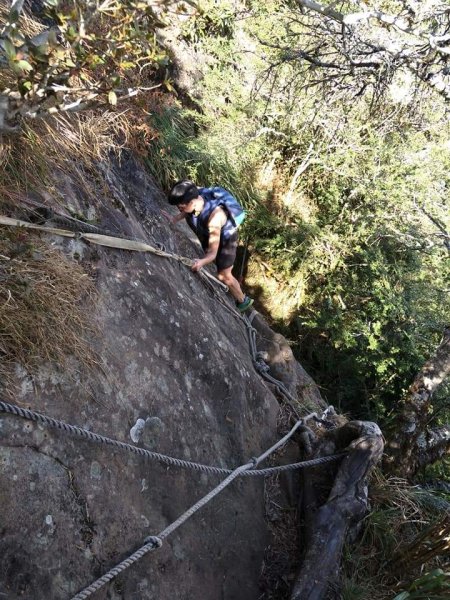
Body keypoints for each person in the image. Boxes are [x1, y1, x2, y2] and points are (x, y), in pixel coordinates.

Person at [163, 180, 254, 312]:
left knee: (224, 274)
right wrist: (175, 219)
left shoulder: (215, 218)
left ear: (192, 203)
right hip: (207, 231)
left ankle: (243, 301)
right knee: (216, 262)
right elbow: (187, 211)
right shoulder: (195, 196)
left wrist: (202, 262)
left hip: (226, 238)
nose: (180, 209)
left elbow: (212, 253)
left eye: (180, 207)